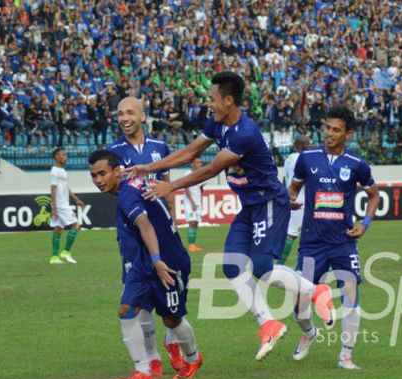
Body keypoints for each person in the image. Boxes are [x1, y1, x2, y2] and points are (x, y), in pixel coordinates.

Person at [126, 72, 334, 361]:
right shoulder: (218, 122)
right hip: (250, 206)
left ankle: (317, 291)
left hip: (268, 203)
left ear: (228, 100)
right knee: (232, 266)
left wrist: (171, 185)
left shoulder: (244, 133)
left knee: (262, 266)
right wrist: (148, 168)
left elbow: (210, 169)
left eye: (213, 98)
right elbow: (190, 152)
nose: (209, 103)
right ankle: (269, 323)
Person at [89, 150, 202, 379]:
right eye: (94, 176)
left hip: (168, 260)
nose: (99, 180)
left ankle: (193, 358)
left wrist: (158, 260)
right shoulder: (131, 185)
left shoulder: (126, 196)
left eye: (102, 174)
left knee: (172, 319)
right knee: (126, 309)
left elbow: (146, 225)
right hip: (144, 261)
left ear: (116, 171)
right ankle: (142, 370)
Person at [287, 105, 380, 370]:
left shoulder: (357, 164)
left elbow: (374, 195)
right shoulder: (307, 158)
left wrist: (365, 223)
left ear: (348, 134)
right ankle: (308, 332)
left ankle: (346, 355)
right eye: (327, 128)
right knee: (299, 301)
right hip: (311, 243)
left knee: (351, 295)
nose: (329, 133)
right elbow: (293, 189)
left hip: (343, 243)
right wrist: (291, 199)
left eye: (336, 130)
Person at [106, 97, 178, 371]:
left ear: (142, 116)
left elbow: (168, 188)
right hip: (132, 234)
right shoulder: (113, 151)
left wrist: (174, 223)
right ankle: (151, 356)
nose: (124, 117)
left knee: (172, 288)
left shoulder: (160, 148)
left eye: (129, 113)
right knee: (141, 295)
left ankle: (173, 340)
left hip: (163, 229)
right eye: (120, 113)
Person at [277, 135, 311, 264]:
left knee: (292, 231)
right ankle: (281, 264)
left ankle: (281, 264)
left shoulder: (289, 158)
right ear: (302, 145)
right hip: (301, 199)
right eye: (308, 144)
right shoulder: (302, 158)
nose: (310, 146)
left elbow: (286, 180)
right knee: (293, 233)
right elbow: (304, 179)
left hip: (290, 197)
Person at [49, 148, 85, 264]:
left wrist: (76, 199)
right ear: (56, 157)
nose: (65, 157)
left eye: (66, 155)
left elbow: (65, 188)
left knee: (58, 228)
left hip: (63, 203)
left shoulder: (62, 171)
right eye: (63, 155)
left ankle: (54, 257)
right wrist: (54, 208)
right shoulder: (54, 171)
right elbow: (53, 189)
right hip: (60, 205)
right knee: (77, 224)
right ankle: (66, 252)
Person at [182, 157, 205, 252]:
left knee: (196, 222)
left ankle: (193, 244)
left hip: (198, 202)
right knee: (191, 222)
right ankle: (191, 245)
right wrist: (192, 202)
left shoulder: (201, 175)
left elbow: (201, 188)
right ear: (192, 164)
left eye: (201, 162)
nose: (200, 164)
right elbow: (186, 188)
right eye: (198, 162)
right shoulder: (188, 174)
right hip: (190, 203)